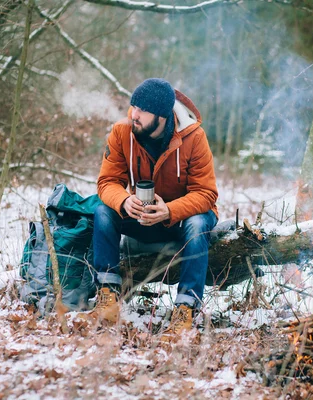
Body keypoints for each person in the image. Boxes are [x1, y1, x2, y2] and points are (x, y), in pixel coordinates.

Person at [89, 78, 218, 341]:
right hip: (140, 217)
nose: (134, 115)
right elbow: (107, 182)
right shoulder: (122, 132)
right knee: (104, 210)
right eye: (133, 107)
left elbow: (206, 194)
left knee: (198, 222)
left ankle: (185, 307)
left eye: (141, 111)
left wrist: (170, 210)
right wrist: (125, 201)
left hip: (179, 222)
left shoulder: (194, 137)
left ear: (161, 116)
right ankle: (108, 295)